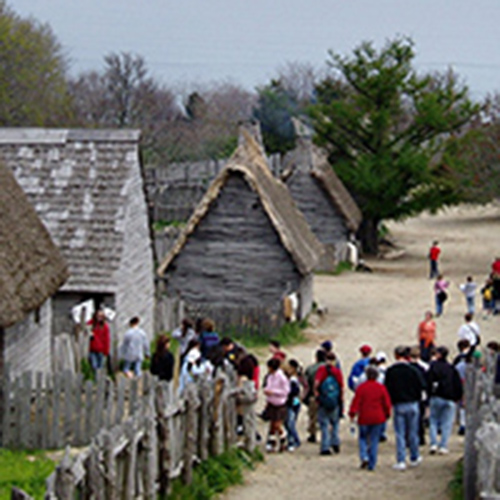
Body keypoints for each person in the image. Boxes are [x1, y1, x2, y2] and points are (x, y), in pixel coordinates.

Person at [385, 346, 426, 471]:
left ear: (396, 356)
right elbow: (422, 385)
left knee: (400, 433)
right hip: (413, 403)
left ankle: (401, 460)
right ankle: (414, 456)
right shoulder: (413, 370)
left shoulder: (391, 371)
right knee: (413, 432)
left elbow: (387, 388)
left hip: (399, 403)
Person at [349, 366, 392, 471]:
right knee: (374, 440)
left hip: (364, 417)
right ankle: (372, 463)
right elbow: (386, 403)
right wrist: (387, 414)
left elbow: (356, 402)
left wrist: (352, 414)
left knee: (363, 438)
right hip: (378, 417)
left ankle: (364, 456)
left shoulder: (361, 388)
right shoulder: (381, 388)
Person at [427, 346, 463, 454]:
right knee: (446, 423)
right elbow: (457, 384)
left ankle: (433, 443)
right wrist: (457, 397)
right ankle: (443, 445)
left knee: (433, 421)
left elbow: (428, 381)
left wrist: (428, 395)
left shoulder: (433, 367)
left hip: (436, 396)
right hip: (449, 398)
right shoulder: (451, 368)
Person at [314, 352, 344, 455]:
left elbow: (316, 383)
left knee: (324, 424)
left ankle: (325, 446)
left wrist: (317, 394)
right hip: (335, 401)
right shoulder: (337, 371)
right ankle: (335, 442)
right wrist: (341, 400)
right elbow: (341, 387)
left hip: (323, 400)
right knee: (335, 423)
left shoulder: (322, 370)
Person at [263, 358, 290, 453]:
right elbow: (268, 385)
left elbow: (286, 391)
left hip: (280, 403)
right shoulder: (270, 376)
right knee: (272, 425)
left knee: (277, 424)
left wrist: (273, 392)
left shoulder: (282, 377)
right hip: (271, 402)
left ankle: (284, 439)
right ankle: (272, 442)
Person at [304, 349, 326, 443]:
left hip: (313, 395)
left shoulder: (311, 368)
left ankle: (313, 434)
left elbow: (306, 383)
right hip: (326, 395)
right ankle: (326, 435)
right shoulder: (330, 368)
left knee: (312, 416)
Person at [408, 346, 429, 446]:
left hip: (410, 394)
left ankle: (409, 439)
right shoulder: (424, 367)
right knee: (419, 417)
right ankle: (420, 437)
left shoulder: (407, 367)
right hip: (420, 395)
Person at [453, 339, 471, 436]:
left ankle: (463, 424)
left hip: (462, 384)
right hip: (469, 385)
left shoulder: (458, 362)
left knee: (462, 406)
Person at [285, 359, 302, 451]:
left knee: (290, 423)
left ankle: (294, 440)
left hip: (291, 402)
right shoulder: (297, 378)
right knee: (290, 422)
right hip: (296, 402)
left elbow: (294, 391)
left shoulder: (293, 380)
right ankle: (292, 439)